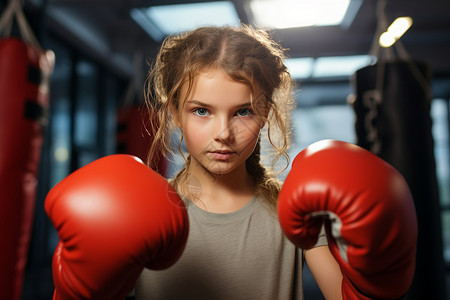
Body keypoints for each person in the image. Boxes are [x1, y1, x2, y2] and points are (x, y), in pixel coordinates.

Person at [135, 24, 343, 300]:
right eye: (201, 111)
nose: (223, 134)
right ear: (174, 112)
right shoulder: (142, 210)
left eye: (243, 112)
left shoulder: (294, 212)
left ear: (265, 113)